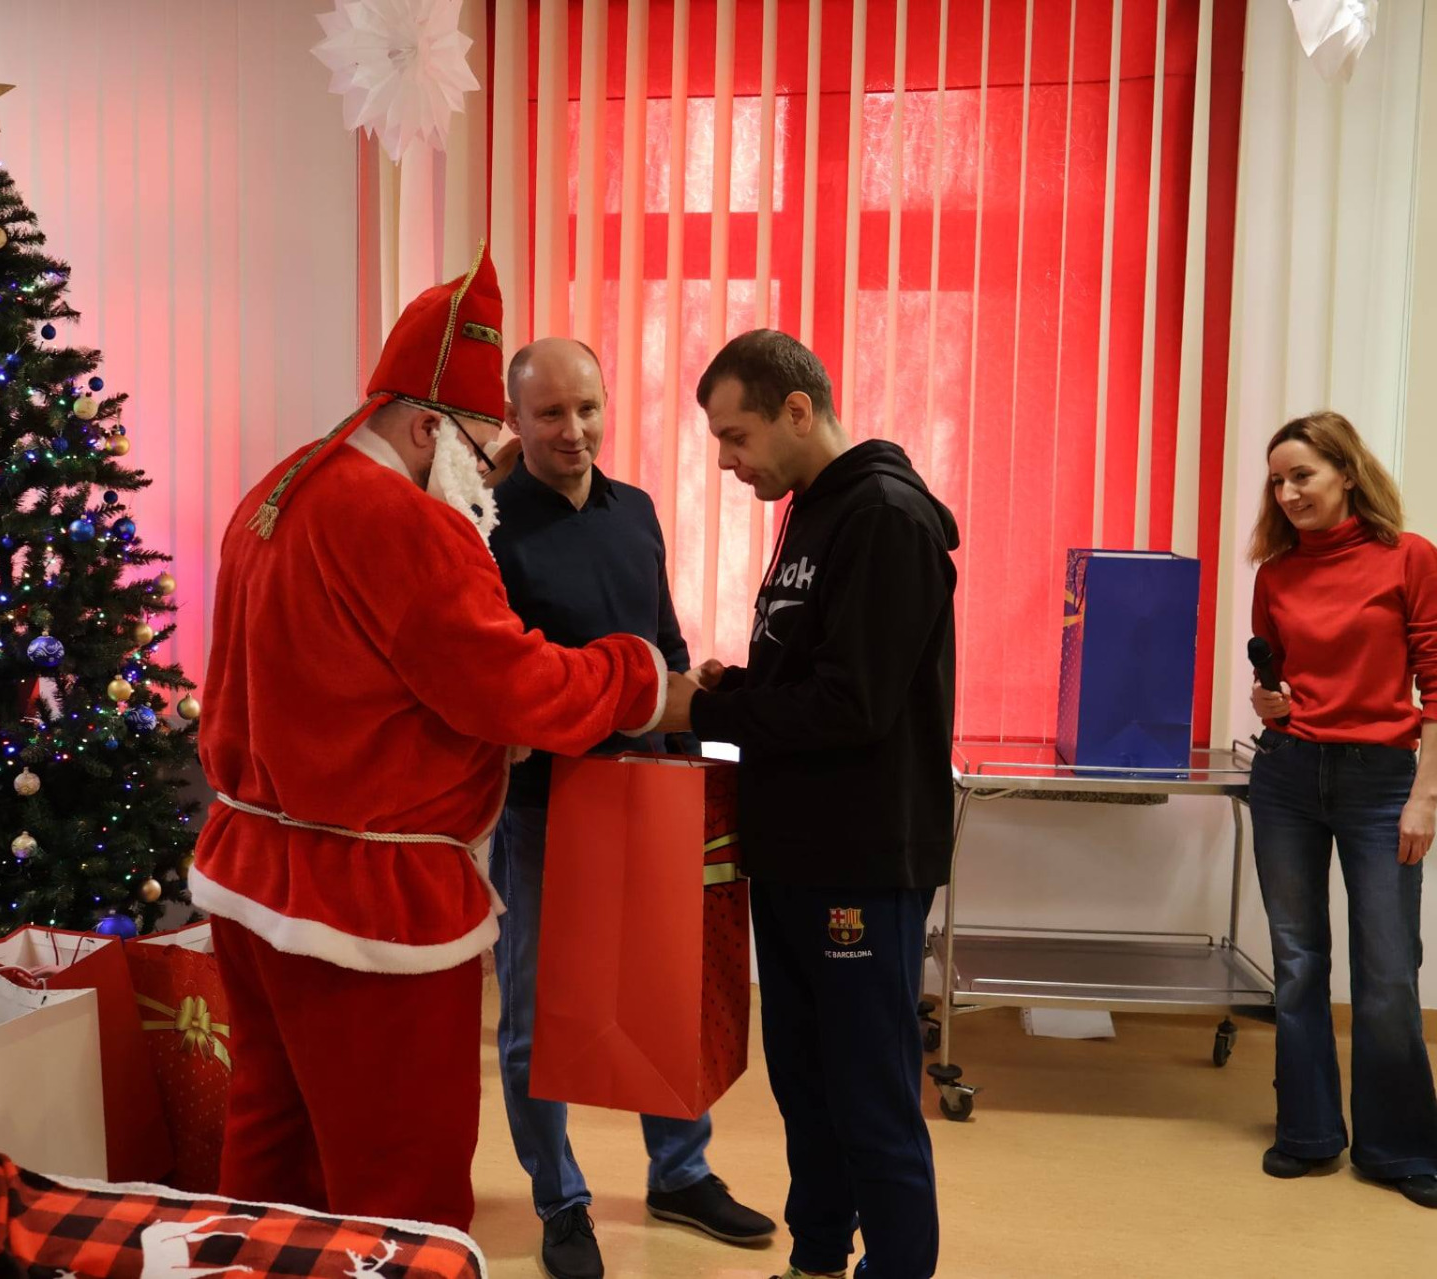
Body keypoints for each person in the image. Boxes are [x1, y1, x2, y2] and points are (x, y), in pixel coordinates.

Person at [190, 248, 692, 1231]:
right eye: (479, 444)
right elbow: (509, 685)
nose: (488, 473)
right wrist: (639, 674)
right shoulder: (403, 520)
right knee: (402, 1173)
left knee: (276, 1143)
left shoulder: (286, 482)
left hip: (254, 874)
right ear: (427, 426)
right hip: (363, 904)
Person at [487, 337, 776, 1279]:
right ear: (515, 418)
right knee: (537, 1014)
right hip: (545, 800)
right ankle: (560, 1199)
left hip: (651, 786)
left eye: (588, 409)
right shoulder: (486, 527)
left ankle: (679, 1173)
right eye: (550, 414)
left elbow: (664, 643)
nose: (574, 430)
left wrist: (688, 761)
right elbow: (497, 676)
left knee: (665, 988)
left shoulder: (637, 510)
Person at [678, 329, 960, 1279]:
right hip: (794, 850)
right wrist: (743, 682)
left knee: (869, 1091)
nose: (726, 460)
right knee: (806, 1082)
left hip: (861, 860)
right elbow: (817, 666)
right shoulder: (812, 510)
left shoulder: (885, 517)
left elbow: (853, 705)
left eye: (737, 435)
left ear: (798, 411)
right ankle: (815, 1256)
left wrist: (706, 710)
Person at [1246, 410, 1437, 1210]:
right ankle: (1306, 1132)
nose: (1288, 493)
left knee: (1388, 969)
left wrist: (1423, 794)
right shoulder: (1276, 574)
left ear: (1346, 472)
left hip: (1381, 784)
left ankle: (1399, 1147)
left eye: (1302, 475)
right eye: (1278, 481)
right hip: (1288, 776)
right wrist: (1270, 702)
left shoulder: (1410, 558)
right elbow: (1277, 683)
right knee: (1298, 964)